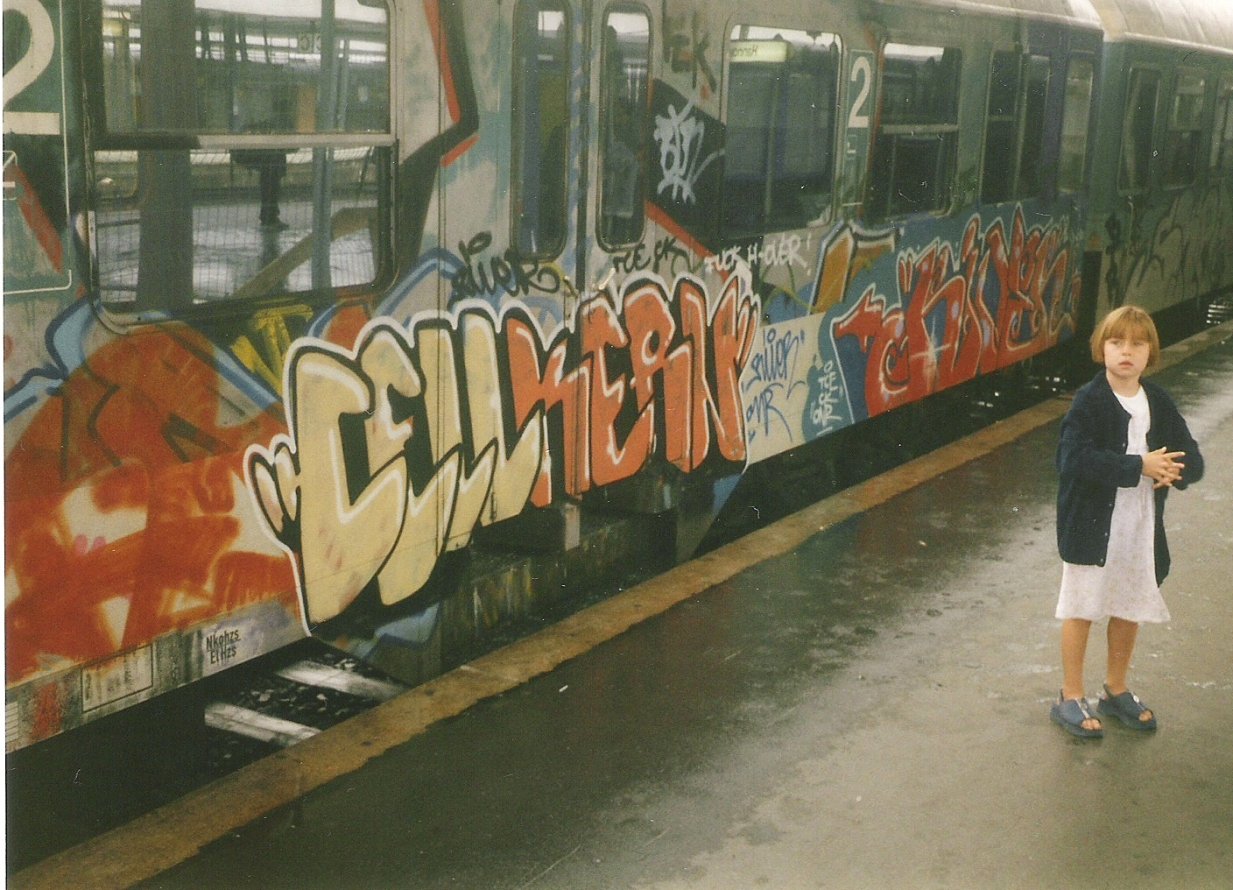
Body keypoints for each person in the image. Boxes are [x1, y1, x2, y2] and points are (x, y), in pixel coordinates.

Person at [1051, 305, 1204, 738]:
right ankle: (1070, 694)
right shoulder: (1090, 400)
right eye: (1117, 342)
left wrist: (1178, 471)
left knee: (1129, 602)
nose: (1126, 351)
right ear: (1101, 348)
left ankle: (1115, 688)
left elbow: (1190, 455)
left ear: (1150, 352)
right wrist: (1139, 466)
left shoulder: (1157, 400)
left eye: (1138, 344)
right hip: (1092, 525)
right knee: (1082, 606)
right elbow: (1071, 458)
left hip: (1139, 524)